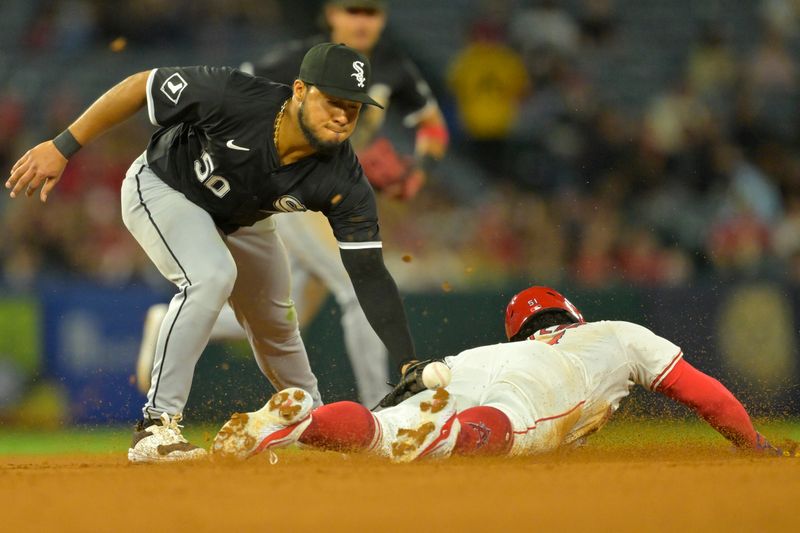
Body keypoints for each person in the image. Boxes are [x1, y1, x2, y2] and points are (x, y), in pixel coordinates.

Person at [6, 43, 416, 463]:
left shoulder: (343, 176)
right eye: (333, 101)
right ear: (298, 90)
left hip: (241, 218)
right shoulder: (235, 95)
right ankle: (155, 427)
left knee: (276, 318)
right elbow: (138, 86)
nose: (343, 116)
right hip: (163, 186)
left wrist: (408, 364)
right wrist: (62, 146)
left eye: (353, 107)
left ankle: (311, 418)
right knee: (211, 275)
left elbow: (368, 273)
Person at [136, 0, 448, 407]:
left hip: (331, 195)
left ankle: (168, 324)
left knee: (286, 318)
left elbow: (433, 126)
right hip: (283, 197)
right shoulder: (299, 61)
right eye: (352, 10)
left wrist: (418, 169)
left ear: (383, 19)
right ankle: (381, 404)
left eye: (370, 12)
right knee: (353, 288)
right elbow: (233, 97)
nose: (361, 20)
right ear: (331, 13)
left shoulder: (392, 66)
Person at [210, 285, 796, 462]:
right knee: (506, 427)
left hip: (463, 367)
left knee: (382, 432)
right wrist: (755, 441)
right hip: (543, 379)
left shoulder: (492, 346)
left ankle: (302, 422)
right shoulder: (614, 333)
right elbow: (706, 394)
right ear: (570, 314)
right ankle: (451, 435)